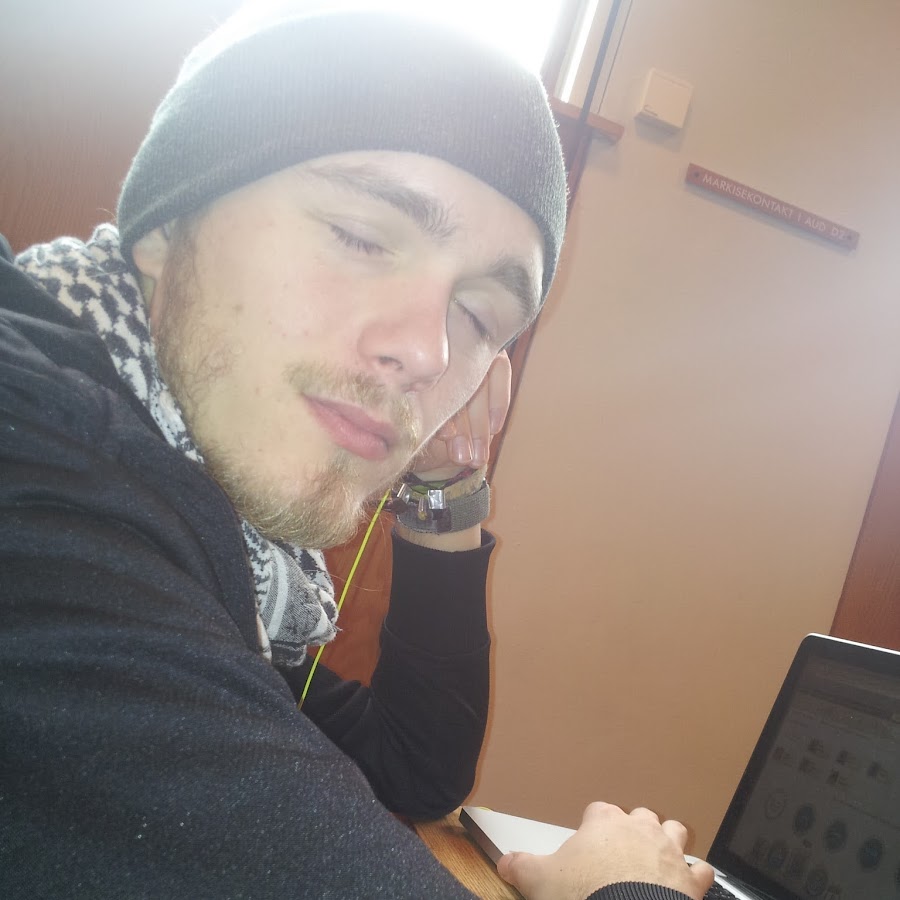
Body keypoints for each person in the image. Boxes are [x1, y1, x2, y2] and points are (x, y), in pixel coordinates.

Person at [0, 5, 715, 899]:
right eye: (362, 237)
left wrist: (445, 482)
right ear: (166, 222)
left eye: (478, 314)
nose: (428, 351)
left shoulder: (234, 562)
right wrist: (630, 884)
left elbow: (412, 765)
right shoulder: (39, 471)